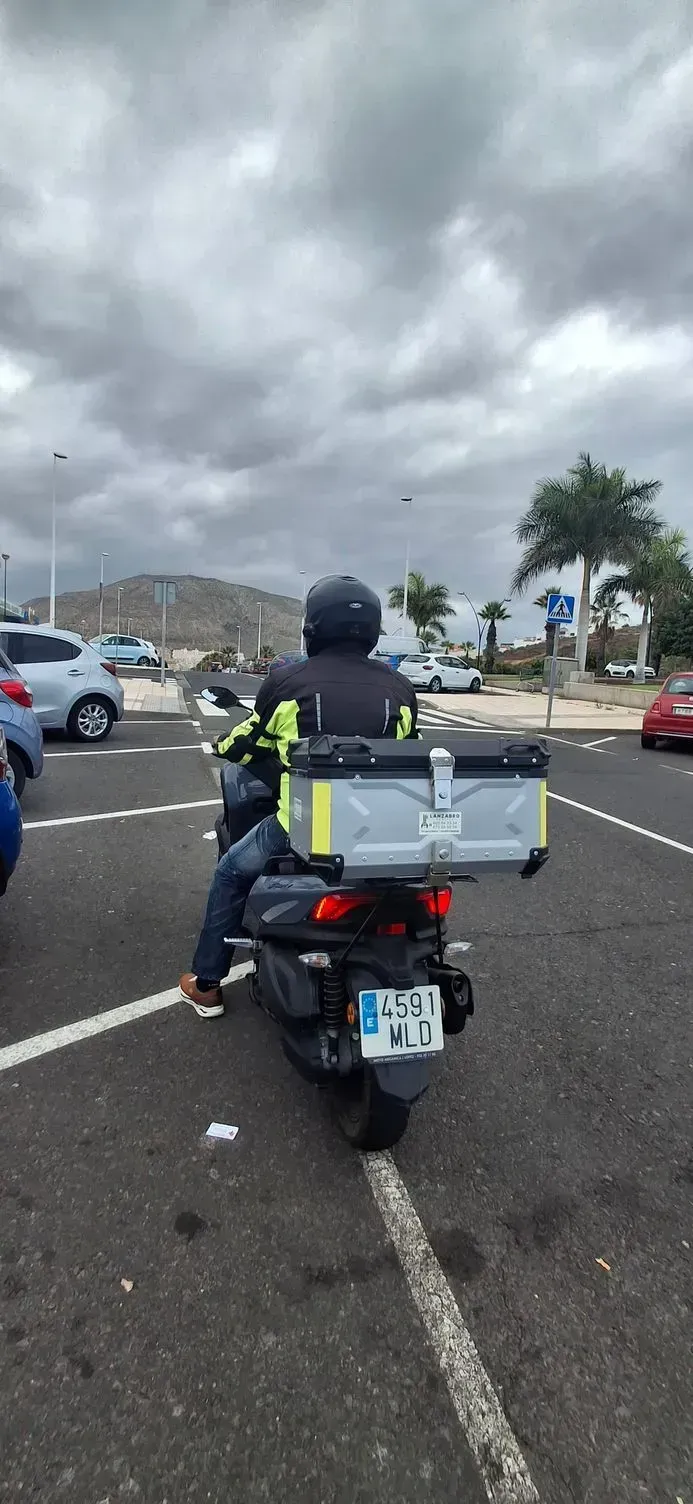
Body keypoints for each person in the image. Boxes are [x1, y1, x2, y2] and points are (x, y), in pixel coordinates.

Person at [179, 574, 419, 1017]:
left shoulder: (289, 683)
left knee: (231, 874)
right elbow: (409, 751)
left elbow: (251, 741)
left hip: (301, 828)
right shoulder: (400, 690)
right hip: (379, 831)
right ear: (371, 631)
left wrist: (224, 744)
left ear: (313, 628)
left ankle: (208, 983)